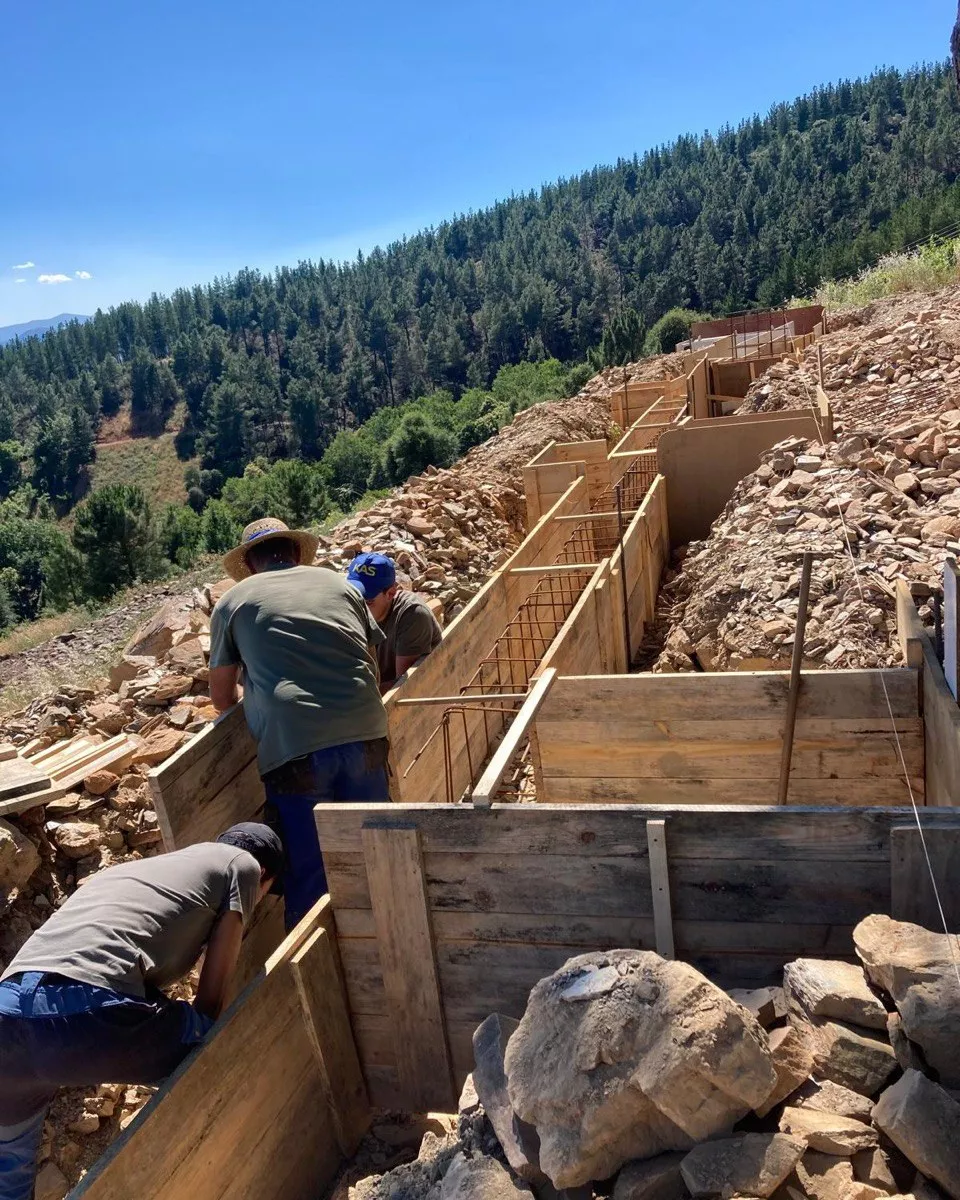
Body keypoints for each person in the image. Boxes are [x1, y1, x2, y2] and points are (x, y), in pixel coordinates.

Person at [0, 822, 282, 1200]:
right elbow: (212, 1001)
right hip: (81, 1012)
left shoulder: (128, 874)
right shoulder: (243, 865)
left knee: (10, 1168)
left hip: (7, 1013)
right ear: (265, 877)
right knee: (201, 1036)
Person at [209, 519, 389, 930]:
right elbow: (369, 665)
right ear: (293, 554)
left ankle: (322, 982)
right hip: (366, 733)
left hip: (295, 749)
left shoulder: (233, 602)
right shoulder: (341, 586)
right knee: (376, 850)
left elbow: (221, 698)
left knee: (310, 875)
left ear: (250, 565)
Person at [346, 553, 442, 693]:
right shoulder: (352, 610)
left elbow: (404, 687)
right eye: (354, 597)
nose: (358, 607)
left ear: (390, 593)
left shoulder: (412, 615)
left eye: (367, 602)